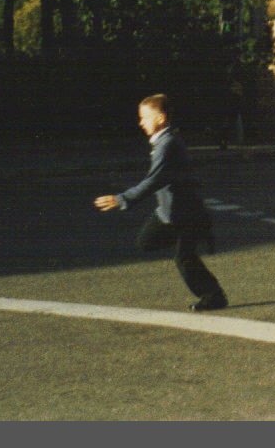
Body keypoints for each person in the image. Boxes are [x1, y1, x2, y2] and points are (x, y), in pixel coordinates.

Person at [94, 93, 227, 311]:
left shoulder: (168, 144)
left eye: (145, 117)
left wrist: (121, 199)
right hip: (169, 212)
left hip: (186, 212)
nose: (141, 122)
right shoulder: (164, 141)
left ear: (161, 118)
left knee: (184, 258)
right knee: (146, 242)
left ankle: (214, 296)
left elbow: (154, 180)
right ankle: (194, 238)